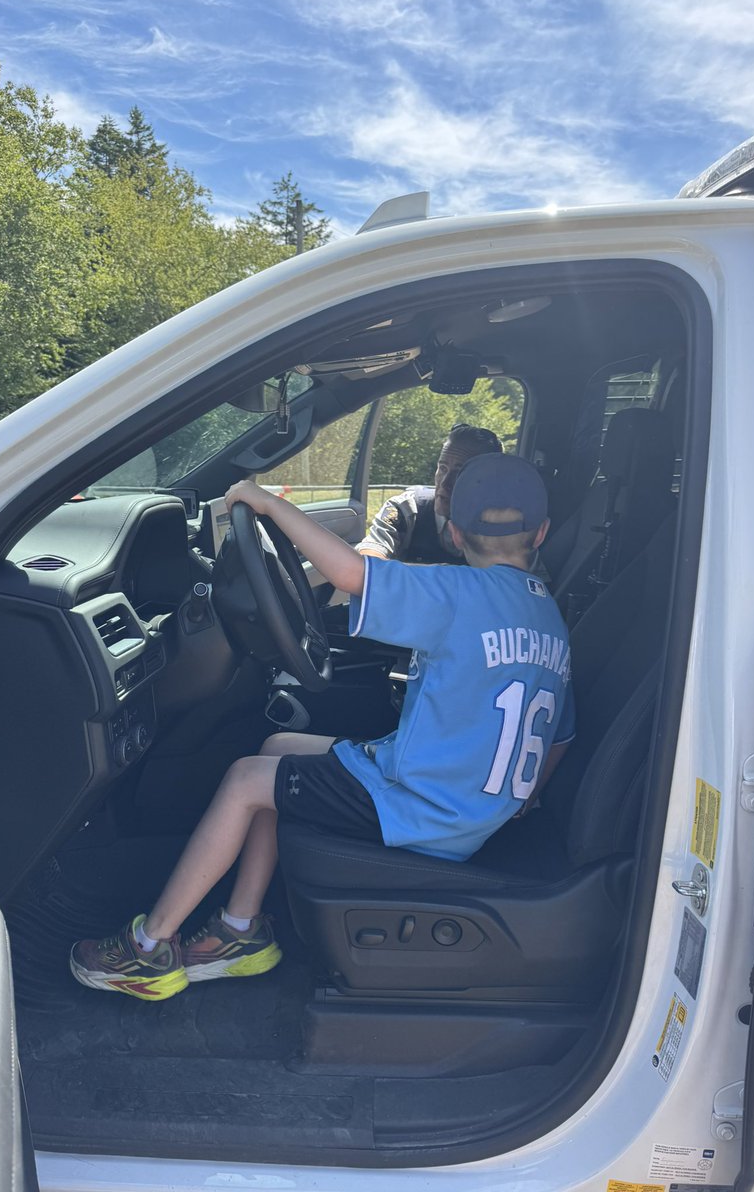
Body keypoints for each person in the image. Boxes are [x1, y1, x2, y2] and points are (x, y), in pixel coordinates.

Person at [69, 453, 575, 1001]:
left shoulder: (457, 593)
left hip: (422, 807)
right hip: (467, 802)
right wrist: (525, 799)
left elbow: (351, 574)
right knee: (278, 746)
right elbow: (561, 735)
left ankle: (148, 948)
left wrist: (267, 503)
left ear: (453, 533)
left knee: (245, 780)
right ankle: (240, 929)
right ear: (542, 532)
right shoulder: (549, 617)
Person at [358, 422, 503, 564]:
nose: (445, 483)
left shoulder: (505, 525)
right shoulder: (406, 509)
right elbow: (368, 563)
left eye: (460, 473)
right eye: (442, 468)